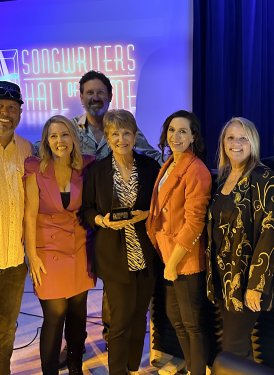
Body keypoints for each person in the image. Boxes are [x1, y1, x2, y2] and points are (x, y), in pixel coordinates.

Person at [81, 109, 160, 375]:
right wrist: (102, 221)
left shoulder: (150, 168)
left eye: (126, 133)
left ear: (135, 136)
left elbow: (162, 206)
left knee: (140, 317)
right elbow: (87, 211)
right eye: (115, 133)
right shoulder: (96, 171)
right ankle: (117, 370)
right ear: (107, 136)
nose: (121, 139)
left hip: (146, 255)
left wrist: (148, 214)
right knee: (121, 320)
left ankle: (132, 367)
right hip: (114, 257)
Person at [24, 115, 95, 375]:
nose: (59, 141)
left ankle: (76, 366)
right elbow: (30, 214)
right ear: (46, 141)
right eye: (53, 136)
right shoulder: (35, 168)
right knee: (55, 314)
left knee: (78, 315)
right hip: (47, 250)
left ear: (73, 138)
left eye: (64, 134)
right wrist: (32, 255)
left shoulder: (86, 166)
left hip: (79, 250)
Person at [146, 110, 212, 375]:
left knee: (193, 324)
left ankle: (198, 370)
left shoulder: (196, 170)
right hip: (168, 256)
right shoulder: (170, 163)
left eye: (183, 131)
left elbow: (195, 222)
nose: (176, 136)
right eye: (172, 130)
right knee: (177, 319)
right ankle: (193, 367)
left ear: (194, 136)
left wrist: (172, 262)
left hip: (185, 259)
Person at [206, 117, 274, 359]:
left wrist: (255, 286)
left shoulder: (262, 176)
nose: (236, 143)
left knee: (232, 348)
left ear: (253, 142)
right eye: (230, 137)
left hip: (245, 280)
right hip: (223, 278)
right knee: (236, 345)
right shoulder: (223, 178)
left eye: (243, 138)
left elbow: (270, 232)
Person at [0, 81, 32, 375]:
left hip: (13, 262)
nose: (5, 113)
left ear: (20, 113)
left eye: (11, 108)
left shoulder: (26, 149)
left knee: (7, 329)